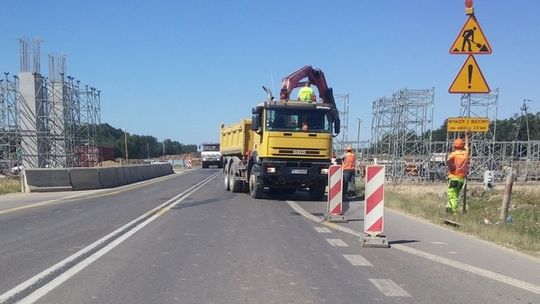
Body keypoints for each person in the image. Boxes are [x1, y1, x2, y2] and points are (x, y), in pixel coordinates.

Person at [446, 132, 469, 213]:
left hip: (453, 177)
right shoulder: (465, 154)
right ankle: (449, 206)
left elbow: (448, 160)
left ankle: (454, 212)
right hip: (461, 179)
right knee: (455, 195)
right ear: (462, 146)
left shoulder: (453, 154)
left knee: (452, 195)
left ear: (454, 146)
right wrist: (466, 135)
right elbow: (467, 145)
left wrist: (450, 167)